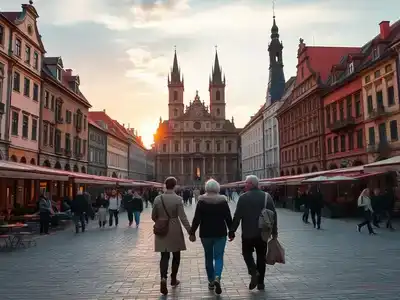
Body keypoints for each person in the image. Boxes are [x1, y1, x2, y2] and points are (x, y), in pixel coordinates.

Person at [229, 175, 278, 291]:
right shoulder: (267, 196)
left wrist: (232, 231)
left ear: (251, 184)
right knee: (261, 257)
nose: (245, 185)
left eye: (246, 183)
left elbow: (237, 216)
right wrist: (275, 232)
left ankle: (253, 271)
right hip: (263, 233)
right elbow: (273, 215)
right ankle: (261, 283)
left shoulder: (243, 198)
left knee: (246, 254)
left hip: (248, 233)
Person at [190, 179, 232, 295]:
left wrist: (192, 232)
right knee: (218, 257)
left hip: (206, 233)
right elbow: (228, 217)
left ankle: (211, 280)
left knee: (208, 257)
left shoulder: (201, 201)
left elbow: (196, 219)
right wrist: (232, 231)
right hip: (220, 232)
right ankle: (218, 276)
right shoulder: (223, 201)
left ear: (206, 188)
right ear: (217, 188)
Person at [152, 177, 191, 296]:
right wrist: (190, 231)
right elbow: (183, 217)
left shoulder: (158, 198)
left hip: (162, 228)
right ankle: (173, 279)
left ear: (165, 185)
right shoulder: (178, 199)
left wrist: (160, 221)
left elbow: (153, 216)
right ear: (174, 186)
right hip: (174, 227)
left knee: (164, 256)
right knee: (176, 255)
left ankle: (163, 278)